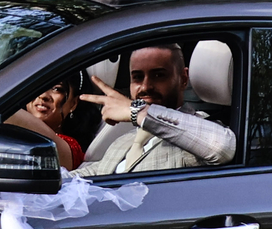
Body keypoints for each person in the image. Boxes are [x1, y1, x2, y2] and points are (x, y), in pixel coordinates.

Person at [76, 43, 236, 176]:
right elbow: (91, 174)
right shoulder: (123, 140)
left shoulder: (199, 128)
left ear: (184, 79)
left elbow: (222, 147)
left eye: (159, 75)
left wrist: (138, 112)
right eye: (137, 77)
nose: (145, 87)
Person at [5, 76, 86, 169]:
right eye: (37, 85)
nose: (43, 95)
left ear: (73, 103)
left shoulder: (70, 149)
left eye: (56, 89)